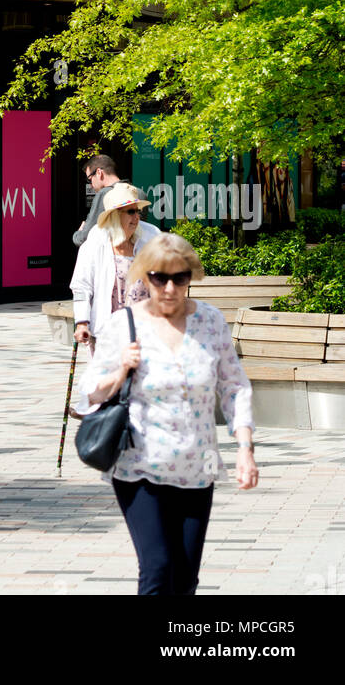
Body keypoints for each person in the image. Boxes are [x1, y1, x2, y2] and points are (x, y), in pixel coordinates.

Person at [82, 231, 257, 595]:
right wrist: (121, 371)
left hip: (199, 467)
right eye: (160, 278)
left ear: (191, 277)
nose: (170, 288)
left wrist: (245, 449)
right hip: (140, 466)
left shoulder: (210, 322)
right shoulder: (124, 324)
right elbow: (91, 391)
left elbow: (234, 385)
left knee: (185, 577)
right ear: (145, 277)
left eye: (180, 278)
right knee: (158, 569)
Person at [71, 182, 160, 354]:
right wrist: (82, 321)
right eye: (131, 212)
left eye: (138, 211)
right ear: (114, 215)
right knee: (111, 380)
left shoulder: (151, 237)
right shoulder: (96, 242)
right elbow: (81, 286)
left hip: (145, 332)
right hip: (107, 333)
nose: (137, 217)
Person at [73, 155, 148, 247]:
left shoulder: (105, 194)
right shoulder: (140, 193)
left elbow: (86, 238)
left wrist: (78, 234)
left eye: (90, 180)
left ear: (99, 173)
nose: (91, 185)